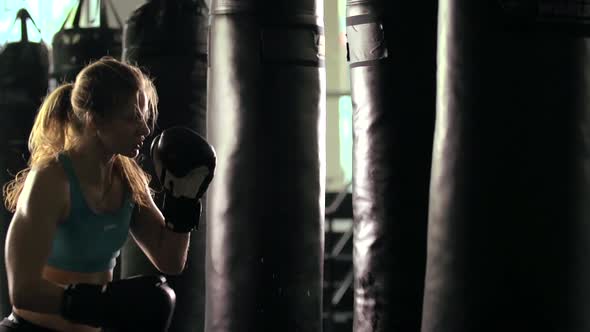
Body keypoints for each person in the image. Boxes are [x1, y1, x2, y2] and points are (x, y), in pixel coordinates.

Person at [0, 57, 216, 332]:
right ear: (94, 121)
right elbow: (22, 291)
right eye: (132, 118)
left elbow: (170, 260)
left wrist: (183, 201)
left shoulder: (127, 179)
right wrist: (106, 304)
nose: (145, 129)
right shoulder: (51, 180)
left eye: (144, 116)